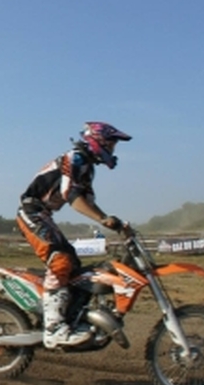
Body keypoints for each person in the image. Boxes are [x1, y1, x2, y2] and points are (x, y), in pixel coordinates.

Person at [17, 122, 131, 349]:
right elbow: (72, 196)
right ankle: (54, 329)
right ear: (98, 141)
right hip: (32, 212)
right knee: (60, 260)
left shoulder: (87, 166)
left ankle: (70, 316)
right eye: (111, 144)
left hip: (43, 214)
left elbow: (87, 201)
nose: (113, 150)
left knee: (75, 267)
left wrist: (115, 224)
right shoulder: (74, 158)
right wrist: (103, 219)